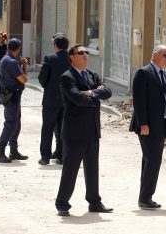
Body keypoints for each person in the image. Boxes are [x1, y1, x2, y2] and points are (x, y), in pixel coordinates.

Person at [55, 44, 113, 217]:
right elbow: (77, 99)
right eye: (81, 53)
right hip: (74, 132)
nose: (86, 55)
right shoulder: (67, 77)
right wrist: (95, 96)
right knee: (71, 168)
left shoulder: (92, 75)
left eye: (87, 52)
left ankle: (94, 202)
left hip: (92, 130)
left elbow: (108, 92)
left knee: (92, 168)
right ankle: (62, 203)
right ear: (71, 56)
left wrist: (90, 93)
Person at [130, 45, 166, 210]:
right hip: (147, 125)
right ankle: (146, 197)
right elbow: (139, 101)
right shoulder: (144, 73)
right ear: (155, 54)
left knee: (150, 160)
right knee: (153, 160)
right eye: (165, 56)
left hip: (161, 125)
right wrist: (143, 124)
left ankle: (144, 196)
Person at [38, 34, 70, 165]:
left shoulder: (50, 58)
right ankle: (61, 156)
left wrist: (48, 85)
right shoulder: (72, 58)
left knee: (47, 127)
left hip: (51, 99)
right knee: (63, 128)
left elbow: (41, 78)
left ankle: (45, 157)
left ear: (56, 45)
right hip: (67, 99)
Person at [0, 38, 28, 163]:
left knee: (16, 123)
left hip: (12, 95)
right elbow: (24, 79)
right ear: (18, 48)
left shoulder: (7, 59)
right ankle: (0, 153)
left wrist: (22, 65)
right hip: (11, 96)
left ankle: (13, 151)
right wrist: (24, 65)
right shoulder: (11, 62)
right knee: (11, 124)